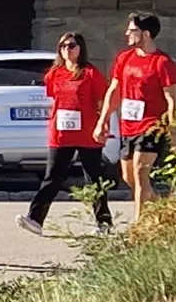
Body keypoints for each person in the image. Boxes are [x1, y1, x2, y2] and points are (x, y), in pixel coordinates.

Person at [24, 30, 117, 235]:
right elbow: (54, 100)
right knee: (52, 177)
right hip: (61, 134)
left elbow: (103, 101)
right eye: (63, 46)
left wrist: (103, 124)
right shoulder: (54, 74)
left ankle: (104, 224)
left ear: (81, 48)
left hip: (87, 134)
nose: (67, 49)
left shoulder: (90, 73)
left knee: (93, 179)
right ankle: (35, 219)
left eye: (72, 45)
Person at [109, 13, 176, 210]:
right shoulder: (124, 58)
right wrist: (103, 121)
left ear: (146, 34)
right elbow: (114, 90)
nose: (127, 33)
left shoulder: (162, 63)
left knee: (141, 171)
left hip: (151, 126)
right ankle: (165, 209)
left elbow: (172, 100)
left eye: (133, 30)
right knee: (128, 177)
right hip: (128, 126)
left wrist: (173, 133)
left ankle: (138, 226)